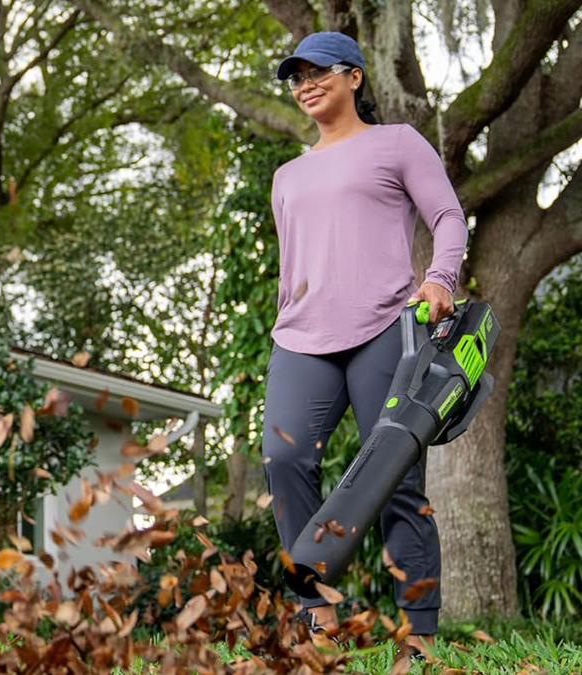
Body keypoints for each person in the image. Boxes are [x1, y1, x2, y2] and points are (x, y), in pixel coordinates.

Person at [262, 31, 468, 661]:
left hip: (385, 327)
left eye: (316, 70)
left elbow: (448, 218)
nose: (304, 83)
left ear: (354, 75)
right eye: (294, 76)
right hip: (300, 338)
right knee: (284, 461)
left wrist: (439, 279)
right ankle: (318, 616)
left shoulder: (396, 143)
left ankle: (419, 636)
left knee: (396, 481)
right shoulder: (287, 175)